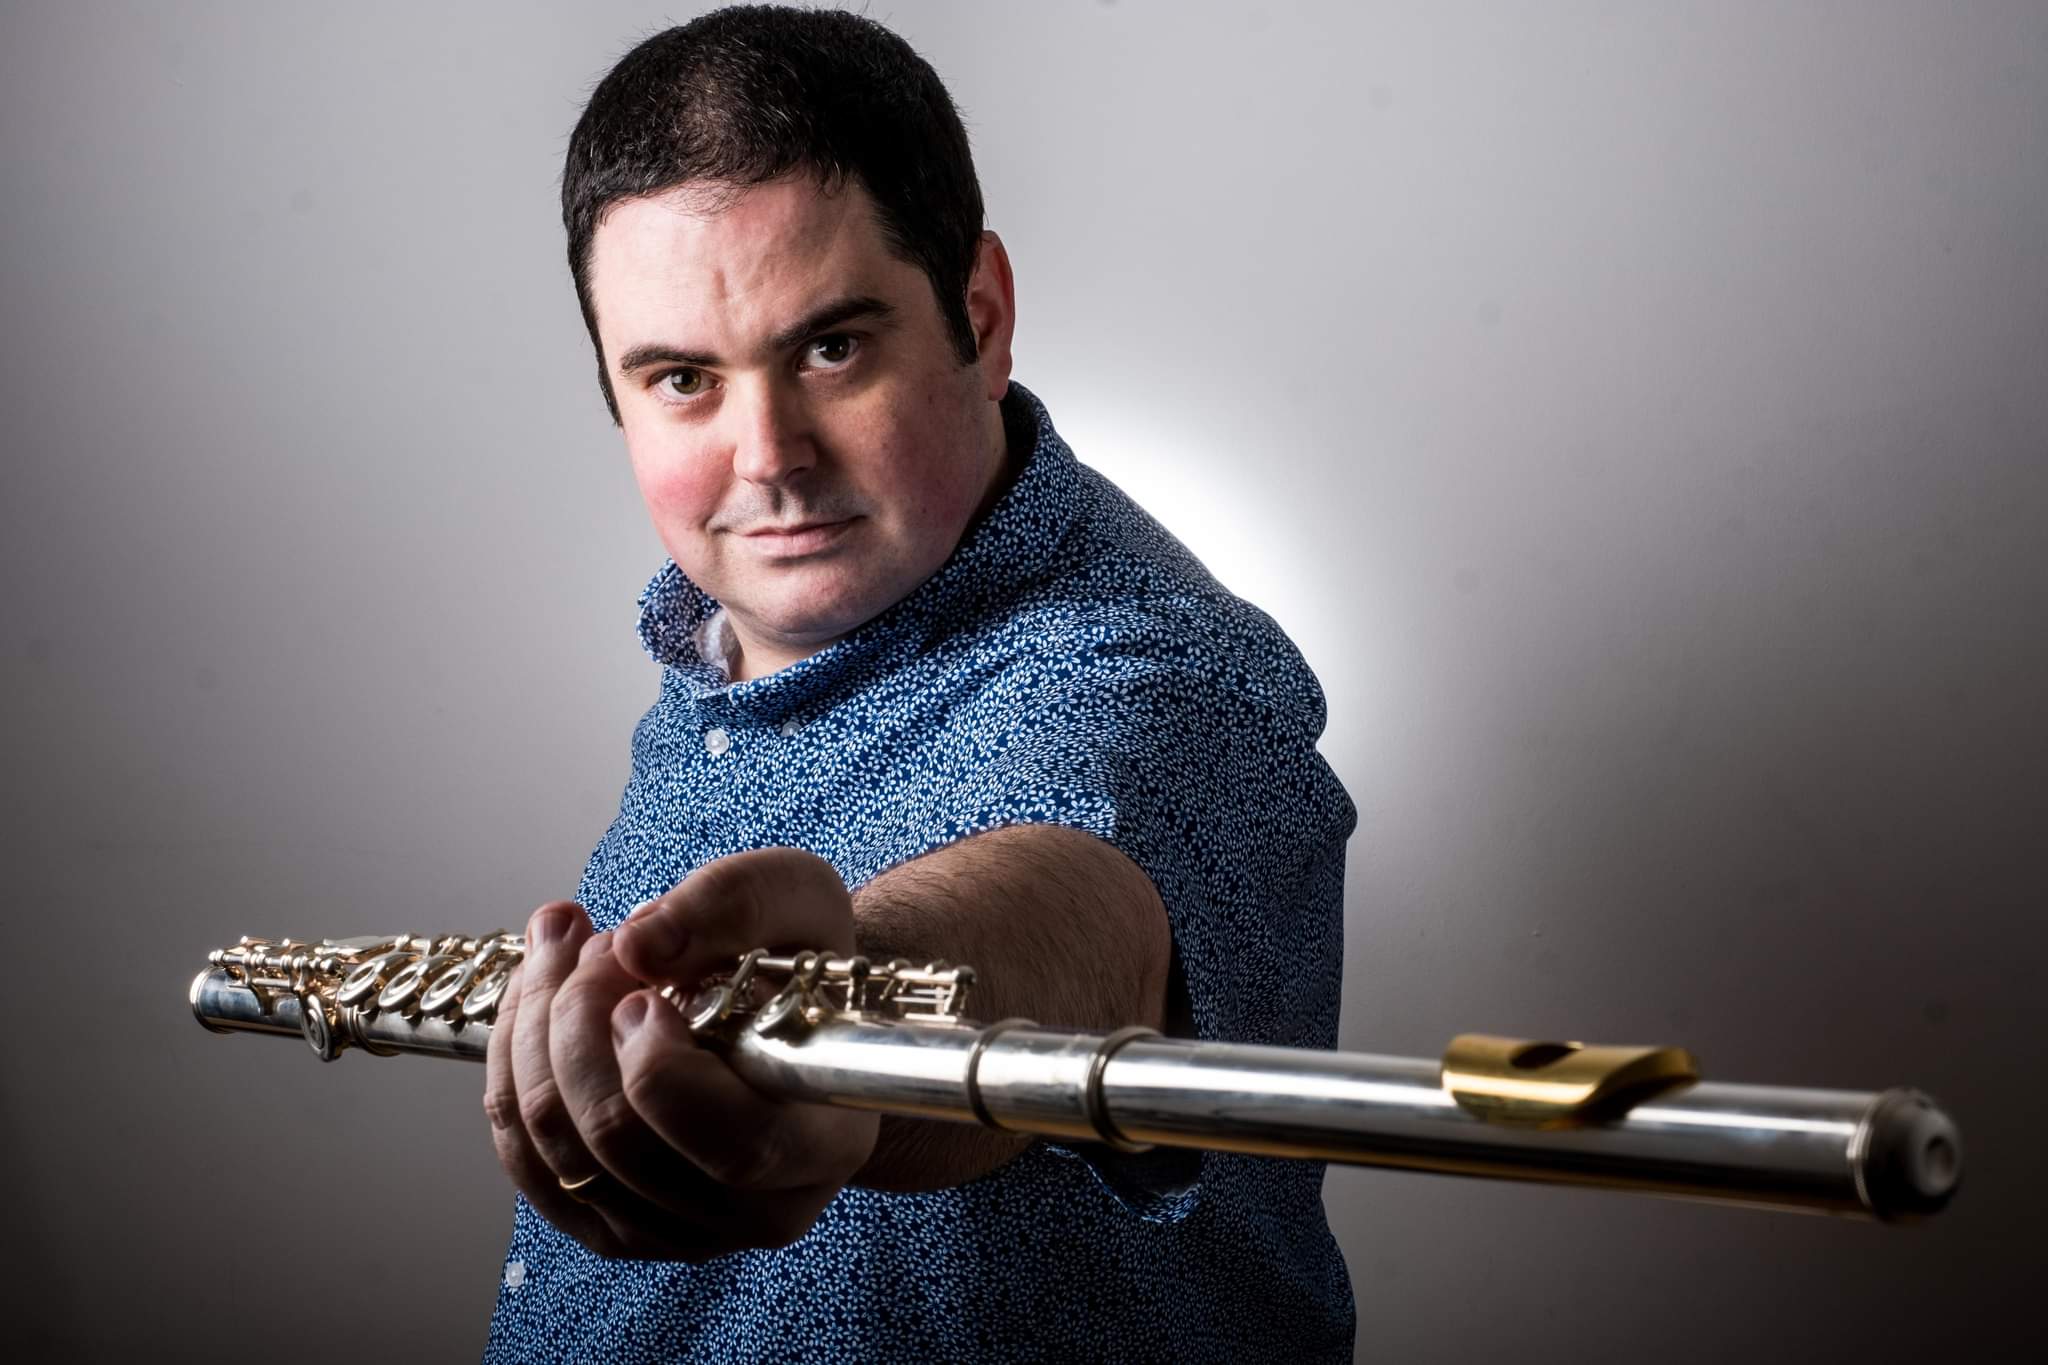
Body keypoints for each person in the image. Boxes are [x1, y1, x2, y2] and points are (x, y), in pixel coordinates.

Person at [480, 7, 1358, 1361]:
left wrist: (844, 1018)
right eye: (683, 379)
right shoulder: (721, 649)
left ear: (980, 316)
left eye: (831, 347)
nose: (767, 455)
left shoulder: (1168, 683)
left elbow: (1073, 915)